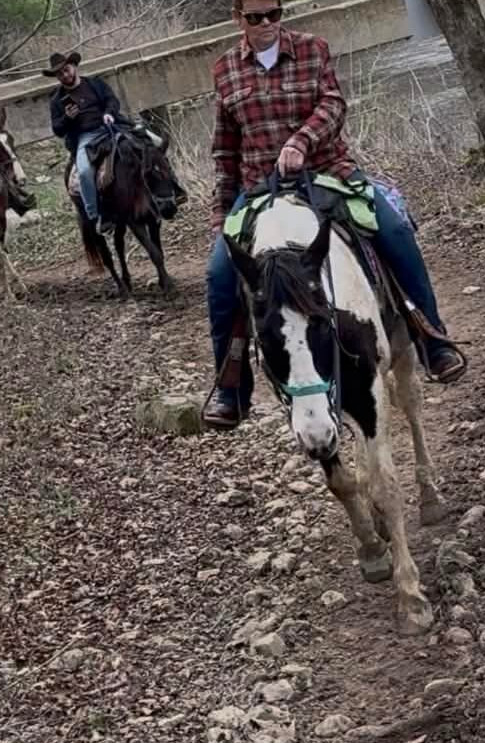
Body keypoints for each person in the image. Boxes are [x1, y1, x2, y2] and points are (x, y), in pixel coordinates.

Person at [201, 0, 466, 429]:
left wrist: (301, 141)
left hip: (326, 174)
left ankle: (431, 337)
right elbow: (225, 150)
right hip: (257, 190)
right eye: (255, 17)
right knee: (219, 275)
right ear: (238, 20)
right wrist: (220, 217)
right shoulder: (225, 69)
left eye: (274, 13)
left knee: (395, 229)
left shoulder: (312, 48)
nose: (267, 23)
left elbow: (332, 105)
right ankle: (231, 387)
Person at [45, 51, 123, 235]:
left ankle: (168, 190)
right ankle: (95, 214)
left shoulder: (95, 84)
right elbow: (57, 129)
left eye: (67, 70)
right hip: (85, 137)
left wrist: (109, 113)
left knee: (151, 140)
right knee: (85, 172)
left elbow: (112, 100)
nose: (65, 75)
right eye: (60, 74)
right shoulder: (57, 100)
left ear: (74, 67)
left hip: (109, 126)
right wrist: (67, 118)